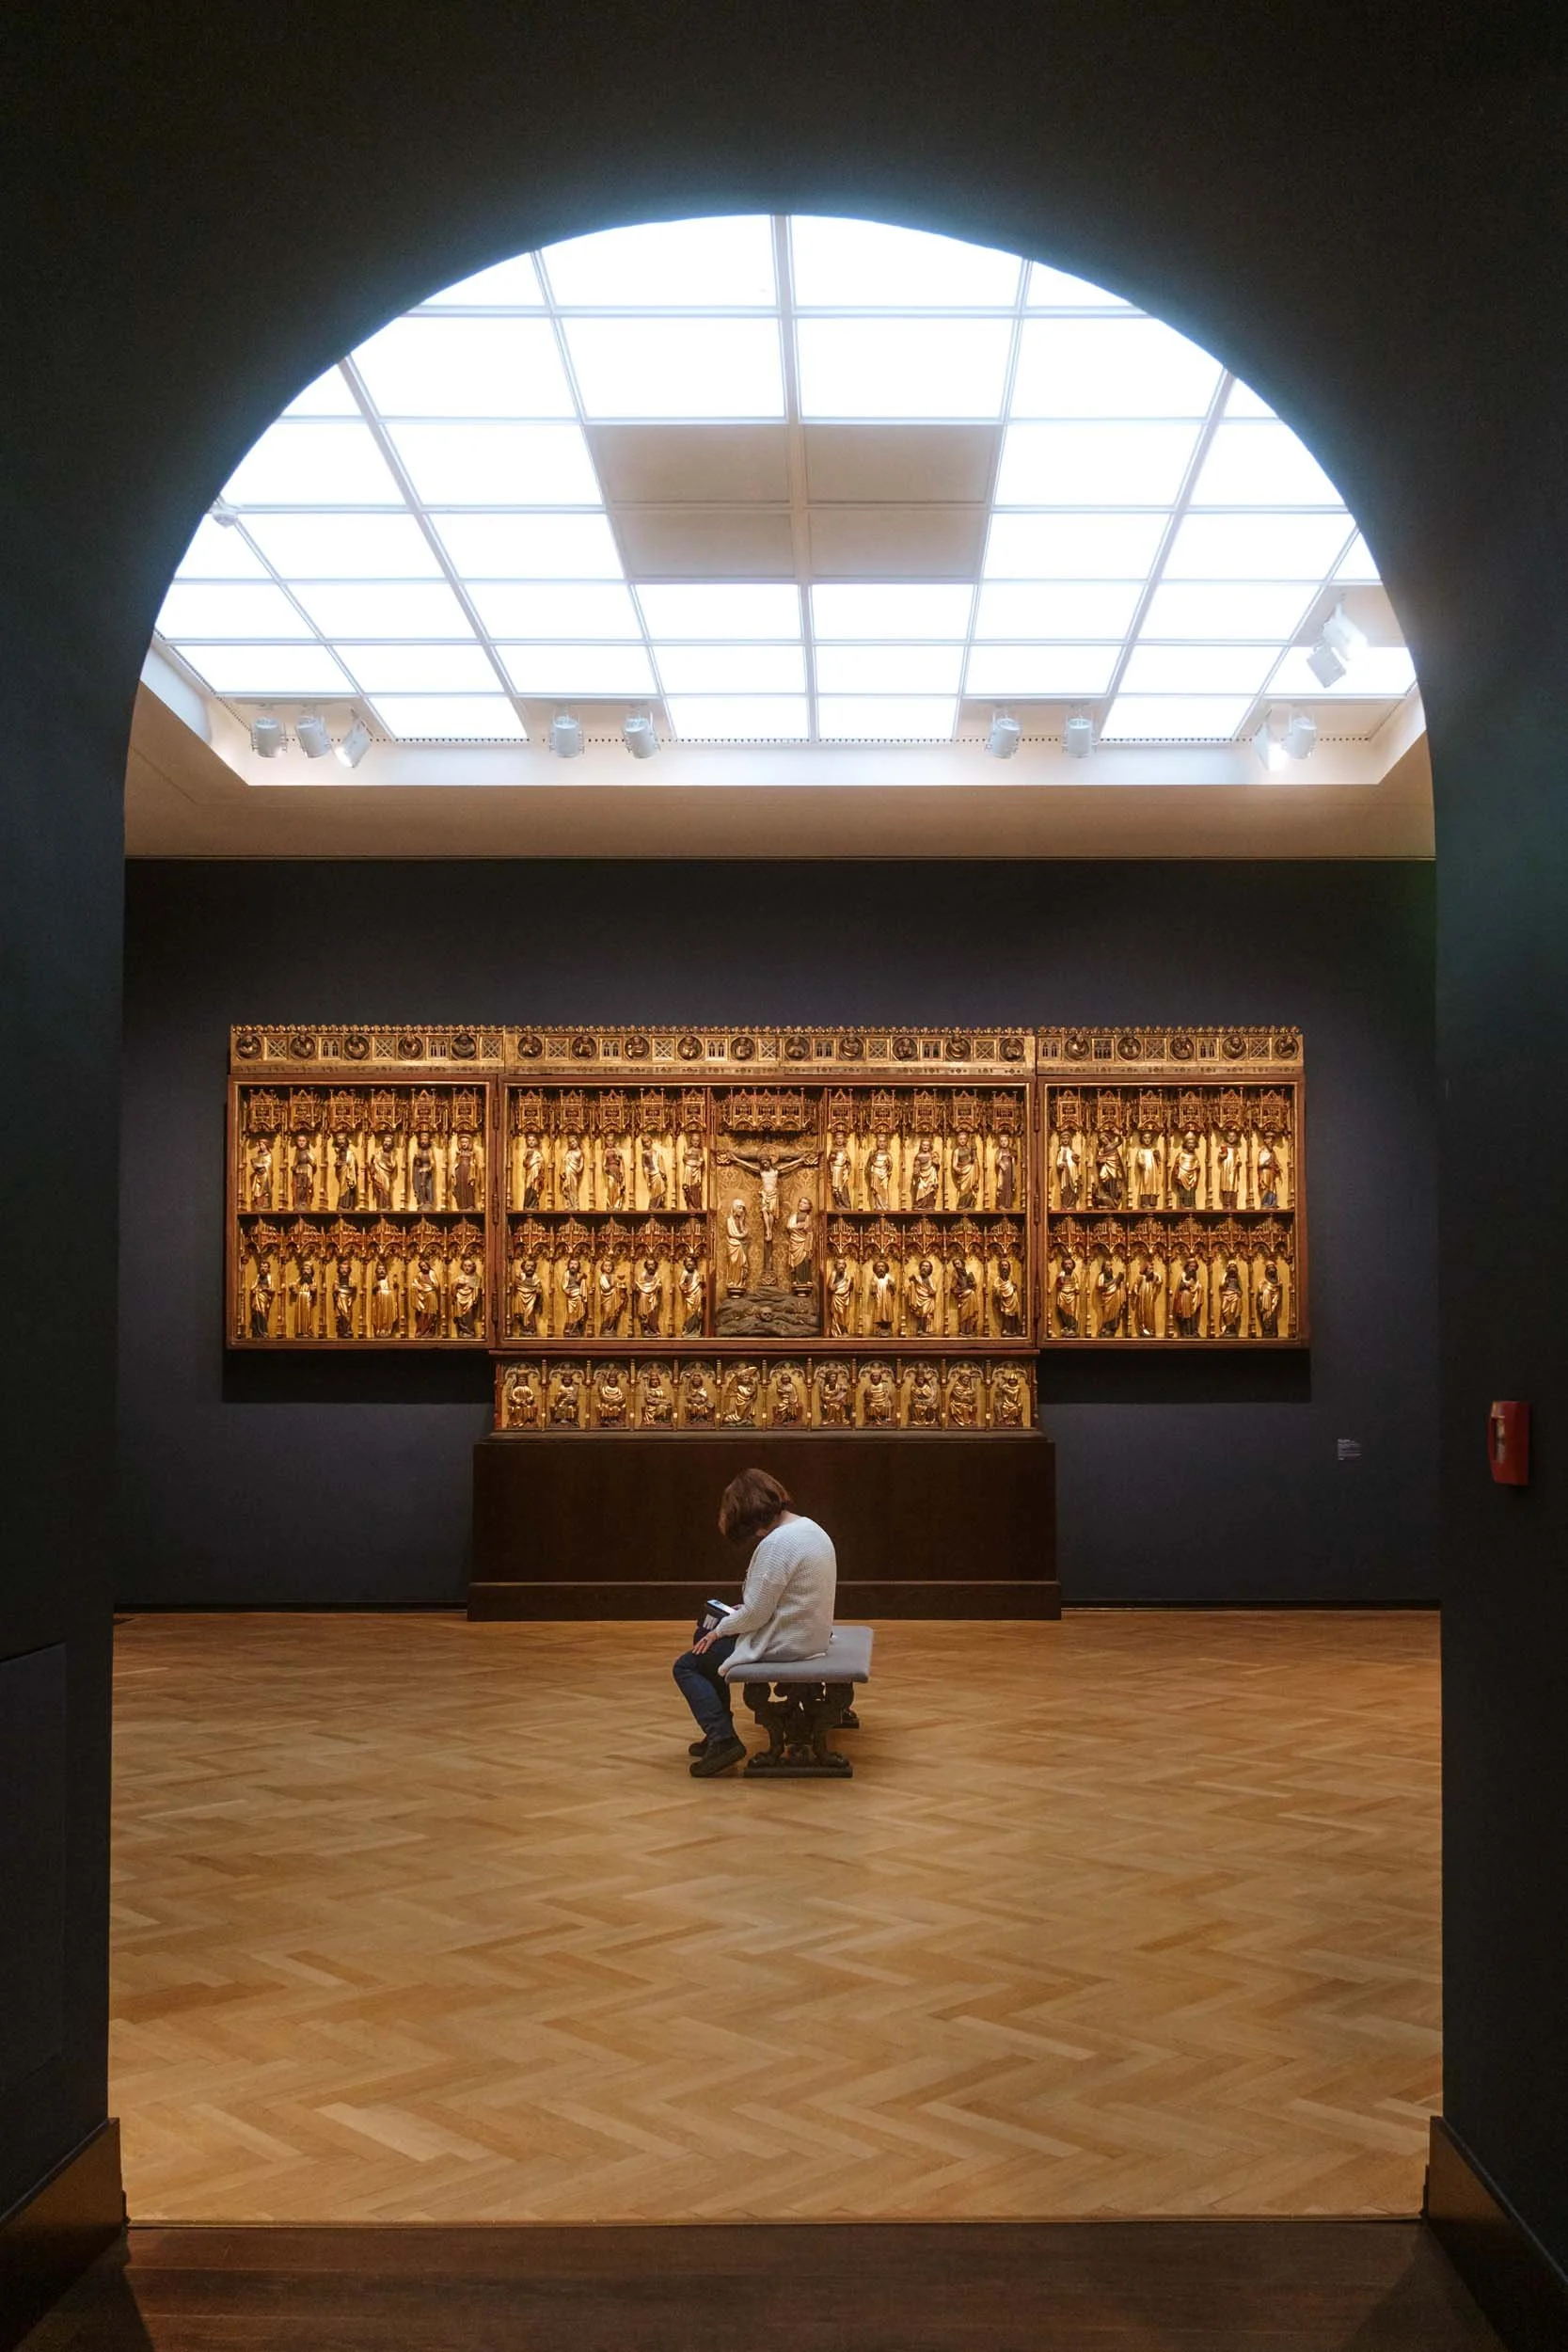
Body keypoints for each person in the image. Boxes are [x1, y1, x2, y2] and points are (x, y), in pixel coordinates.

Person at [673, 1469, 837, 1777]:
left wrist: (723, 1627)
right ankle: (716, 1732)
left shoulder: (778, 1544)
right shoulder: (808, 1527)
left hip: (787, 1642)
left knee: (688, 1665)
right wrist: (728, 1623)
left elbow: (756, 1615)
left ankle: (723, 1740)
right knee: (703, 1636)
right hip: (809, 1634)